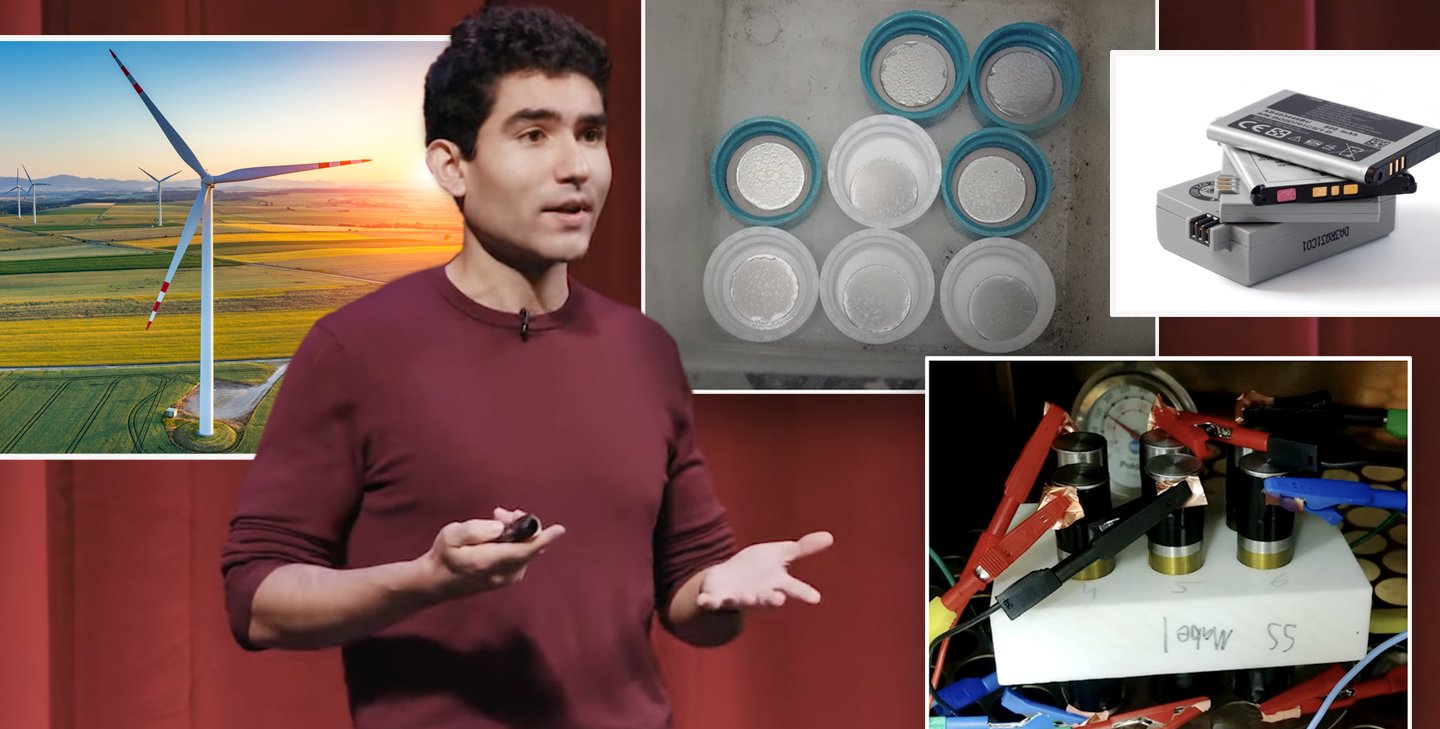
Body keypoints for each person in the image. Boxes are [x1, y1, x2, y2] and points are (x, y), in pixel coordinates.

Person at [220, 6, 833, 729]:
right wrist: (423, 580)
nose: (575, 166)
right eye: (534, 133)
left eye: (591, 133)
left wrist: (719, 591)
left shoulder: (646, 351)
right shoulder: (355, 349)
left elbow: (686, 597)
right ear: (453, 165)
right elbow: (255, 599)